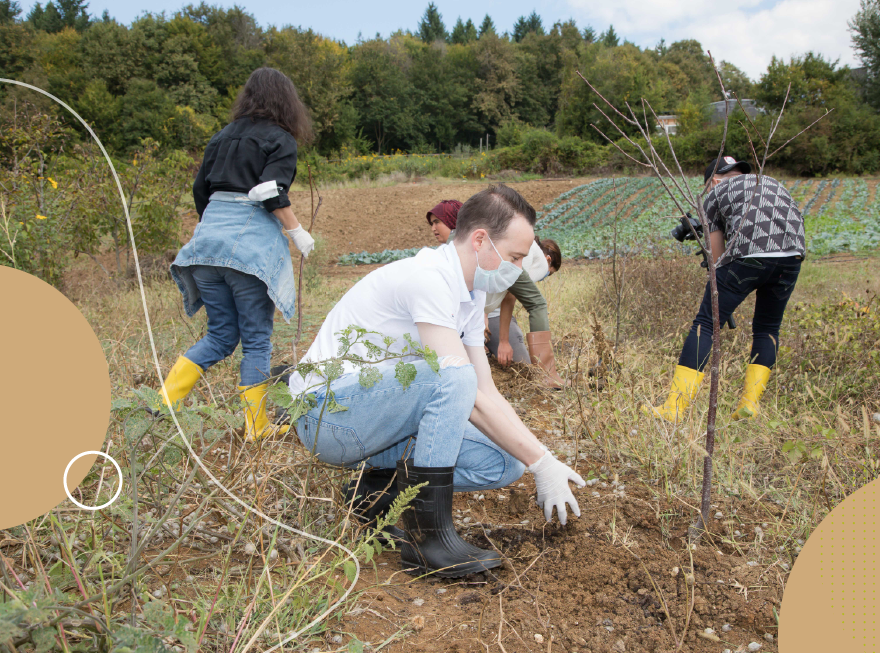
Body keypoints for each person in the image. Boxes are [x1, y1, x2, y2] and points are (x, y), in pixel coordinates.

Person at [291, 184, 585, 578]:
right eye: (514, 256)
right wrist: (543, 461)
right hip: (328, 418)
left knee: (504, 462)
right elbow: (458, 382)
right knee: (451, 375)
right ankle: (429, 541)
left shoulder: (471, 294)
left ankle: (374, 494)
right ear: (481, 240)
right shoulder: (428, 278)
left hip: (376, 422)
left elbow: (485, 391)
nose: (517, 269)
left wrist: (537, 460)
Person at [156, 67, 317, 442]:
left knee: (221, 335)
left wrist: (217, 234)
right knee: (257, 339)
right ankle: (257, 427)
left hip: (205, 246)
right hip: (248, 252)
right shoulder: (280, 139)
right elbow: (270, 191)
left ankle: (163, 405)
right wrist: (296, 231)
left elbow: (201, 193)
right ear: (286, 100)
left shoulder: (220, 137)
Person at [648, 156, 806, 422]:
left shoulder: (715, 193)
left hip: (750, 256)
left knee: (706, 325)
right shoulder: (768, 181)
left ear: (714, 181)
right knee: (768, 328)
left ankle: (674, 408)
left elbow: (718, 258)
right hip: (792, 256)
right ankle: (750, 405)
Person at [424, 201, 565, 388]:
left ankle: (546, 374)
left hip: (482, 309)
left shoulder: (457, 248)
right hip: (472, 310)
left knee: (515, 363)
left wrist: (492, 327)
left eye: (437, 222)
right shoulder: (536, 264)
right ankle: (547, 375)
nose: (434, 228)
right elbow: (506, 296)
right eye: (432, 223)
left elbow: (504, 292)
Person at [486, 238, 562, 383]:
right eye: (549, 274)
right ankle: (548, 376)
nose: (543, 278)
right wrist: (504, 341)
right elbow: (510, 298)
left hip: (480, 312)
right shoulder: (534, 263)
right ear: (547, 259)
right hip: (488, 314)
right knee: (523, 369)